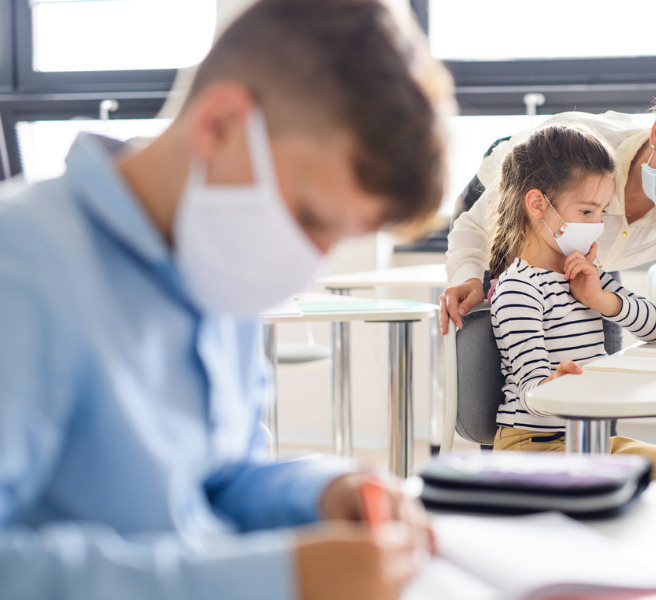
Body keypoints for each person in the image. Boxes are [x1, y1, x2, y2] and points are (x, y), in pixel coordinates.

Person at [0, 1, 453, 599]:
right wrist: (276, 580)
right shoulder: (25, 265)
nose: (308, 263)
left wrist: (321, 491)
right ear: (219, 126)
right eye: (310, 218)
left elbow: (215, 482)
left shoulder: (213, 266)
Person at [488, 125, 656, 499]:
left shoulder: (589, 274)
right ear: (538, 204)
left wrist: (602, 299)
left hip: (587, 439)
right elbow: (530, 392)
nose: (596, 225)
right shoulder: (519, 288)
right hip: (534, 446)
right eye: (586, 210)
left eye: (601, 212)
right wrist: (559, 383)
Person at [441, 76, 656, 358]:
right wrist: (469, 277)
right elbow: (473, 227)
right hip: (508, 194)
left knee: (599, 355)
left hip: (586, 259)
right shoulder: (584, 152)